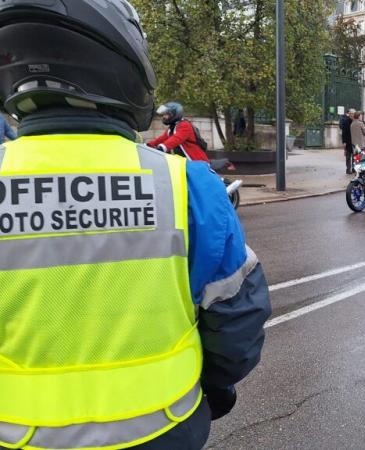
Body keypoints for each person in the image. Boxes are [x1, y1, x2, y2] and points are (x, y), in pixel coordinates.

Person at [0, 2, 271, 449]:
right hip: (164, 430)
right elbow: (237, 319)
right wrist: (214, 385)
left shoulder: (184, 147)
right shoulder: (185, 186)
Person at [339, 108, 355, 174]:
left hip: (354, 141)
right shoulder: (345, 121)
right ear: (349, 114)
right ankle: (348, 169)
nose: (352, 115)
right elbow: (344, 132)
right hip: (348, 141)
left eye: (353, 114)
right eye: (351, 113)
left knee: (355, 156)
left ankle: (354, 168)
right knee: (348, 156)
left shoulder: (356, 121)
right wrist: (344, 142)